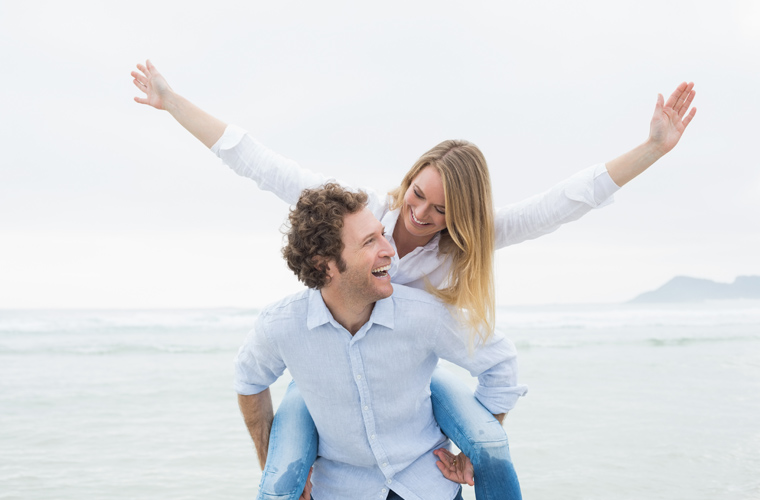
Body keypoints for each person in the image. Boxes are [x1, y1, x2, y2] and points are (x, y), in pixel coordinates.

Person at [131, 60, 697, 499]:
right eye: (417, 194)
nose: (419, 215)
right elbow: (257, 161)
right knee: (281, 476)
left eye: (441, 210)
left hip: (410, 379)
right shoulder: (361, 212)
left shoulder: (459, 250)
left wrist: (652, 148)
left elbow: (564, 203)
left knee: (490, 444)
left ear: (462, 217)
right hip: (329, 373)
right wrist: (172, 101)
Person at [235, 183, 526, 500]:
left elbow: (500, 363)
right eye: (369, 241)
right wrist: (271, 462)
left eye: (382, 235)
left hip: (426, 483)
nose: (389, 249)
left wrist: (473, 448)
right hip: (339, 489)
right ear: (324, 264)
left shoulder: (424, 314)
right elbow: (249, 381)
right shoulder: (281, 325)